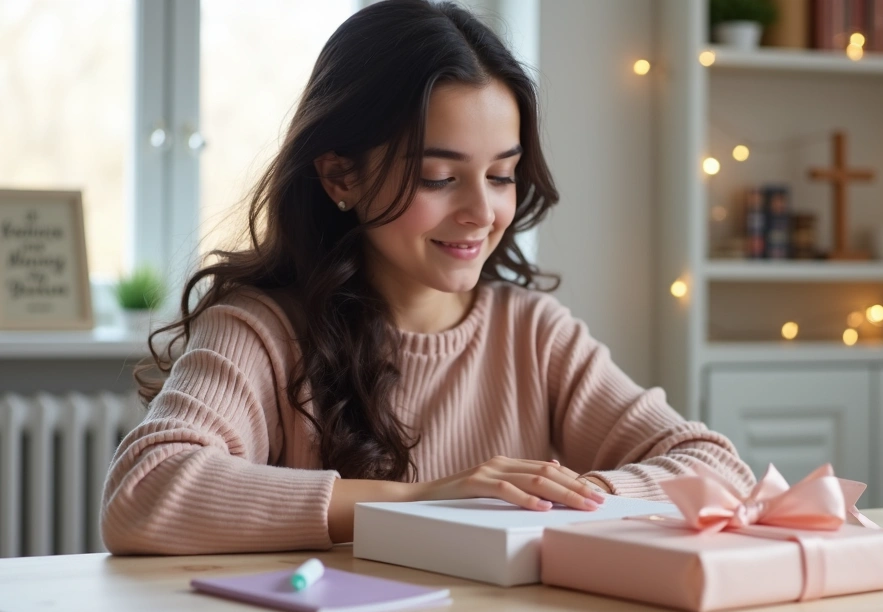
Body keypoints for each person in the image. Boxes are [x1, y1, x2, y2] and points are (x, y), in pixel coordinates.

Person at [101, 0, 755, 555]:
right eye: (438, 178)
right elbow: (142, 490)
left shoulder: (533, 333)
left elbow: (718, 468)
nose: (482, 212)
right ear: (339, 177)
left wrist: (566, 497)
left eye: (502, 175)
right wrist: (415, 503)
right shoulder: (261, 330)